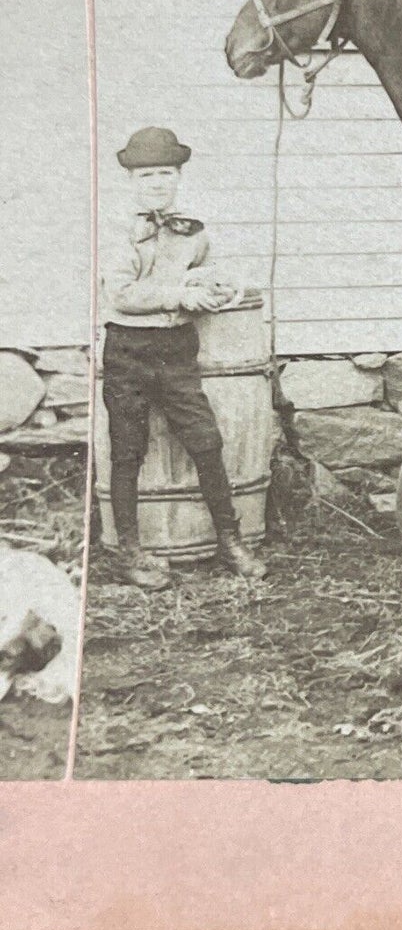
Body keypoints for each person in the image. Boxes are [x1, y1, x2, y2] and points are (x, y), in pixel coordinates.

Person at [101, 127, 267, 588]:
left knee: (206, 441)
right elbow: (123, 294)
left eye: (167, 173)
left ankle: (231, 541)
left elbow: (204, 267)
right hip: (128, 348)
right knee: (128, 450)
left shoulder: (192, 228)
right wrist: (181, 294)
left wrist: (216, 284)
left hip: (176, 350)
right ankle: (130, 552)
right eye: (148, 174)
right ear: (132, 180)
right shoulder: (118, 229)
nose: (158, 183)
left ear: (178, 178)